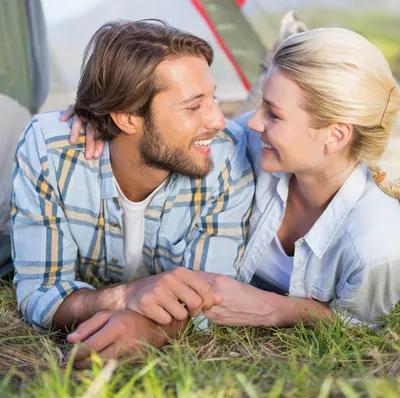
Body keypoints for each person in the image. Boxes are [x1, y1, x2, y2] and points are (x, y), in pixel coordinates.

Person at [69, 27, 400, 366]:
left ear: (336, 134)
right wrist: (107, 116)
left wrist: (279, 309)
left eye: (273, 113)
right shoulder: (250, 147)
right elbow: (168, 125)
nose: (254, 122)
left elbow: (359, 329)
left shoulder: (375, 250)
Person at [10, 20, 255, 368]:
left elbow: (211, 294)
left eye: (213, 98)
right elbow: (39, 291)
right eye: (193, 105)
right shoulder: (51, 150)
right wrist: (124, 297)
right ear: (126, 118)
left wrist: (148, 327)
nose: (218, 120)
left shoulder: (227, 153)